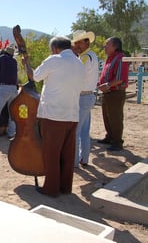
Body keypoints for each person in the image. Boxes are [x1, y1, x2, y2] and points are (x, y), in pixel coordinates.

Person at [21, 36, 85, 197]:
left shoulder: (54, 60)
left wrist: (26, 64)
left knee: (51, 153)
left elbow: (34, 76)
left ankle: (51, 188)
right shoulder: (79, 63)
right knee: (67, 153)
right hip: (72, 114)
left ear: (55, 48)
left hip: (53, 115)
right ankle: (65, 187)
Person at [71, 30, 99, 167]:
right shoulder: (91, 55)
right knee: (84, 131)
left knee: (75, 131)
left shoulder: (84, 58)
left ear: (86, 41)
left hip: (82, 96)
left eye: (78, 42)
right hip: (88, 95)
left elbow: (77, 76)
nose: (76, 45)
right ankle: (84, 158)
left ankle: (74, 161)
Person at [97, 37, 129, 151]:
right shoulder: (110, 58)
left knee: (115, 117)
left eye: (107, 44)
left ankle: (117, 142)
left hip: (115, 92)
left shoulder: (120, 58)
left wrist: (107, 85)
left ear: (115, 46)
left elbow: (120, 78)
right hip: (108, 92)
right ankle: (110, 137)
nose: (105, 47)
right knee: (107, 116)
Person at [0, 46, 18, 139]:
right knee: (12, 113)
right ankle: (11, 133)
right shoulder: (14, 61)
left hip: (4, 87)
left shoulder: (3, 58)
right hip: (14, 89)